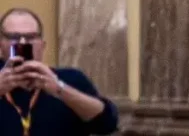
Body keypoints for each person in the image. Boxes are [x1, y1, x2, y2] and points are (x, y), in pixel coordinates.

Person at [0, 7, 119, 135]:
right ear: (0, 45)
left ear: (42, 45)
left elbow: (107, 124)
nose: (22, 43)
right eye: (14, 37)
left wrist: (60, 89)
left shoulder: (71, 79)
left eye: (30, 37)